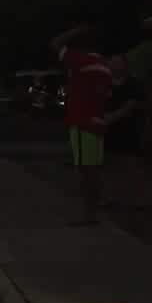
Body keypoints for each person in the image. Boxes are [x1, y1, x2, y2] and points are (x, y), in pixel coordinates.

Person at [51, 23, 113, 225]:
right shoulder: (102, 63)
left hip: (83, 120)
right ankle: (94, 211)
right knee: (94, 168)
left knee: (86, 171)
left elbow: (56, 43)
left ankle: (89, 216)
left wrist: (75, 30)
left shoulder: (80, 61)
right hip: (97, 120)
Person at [104, 54, 148, 211]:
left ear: (125, 65)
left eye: (118, 63)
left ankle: (139, 199)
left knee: (132, 164)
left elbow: (130, 105)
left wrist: (111, 117)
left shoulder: (133, 84)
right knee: (110, 164)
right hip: (109, 130)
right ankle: (111, 196)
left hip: (129, 128)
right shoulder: (105, 84)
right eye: (111, 63)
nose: (114, 66)